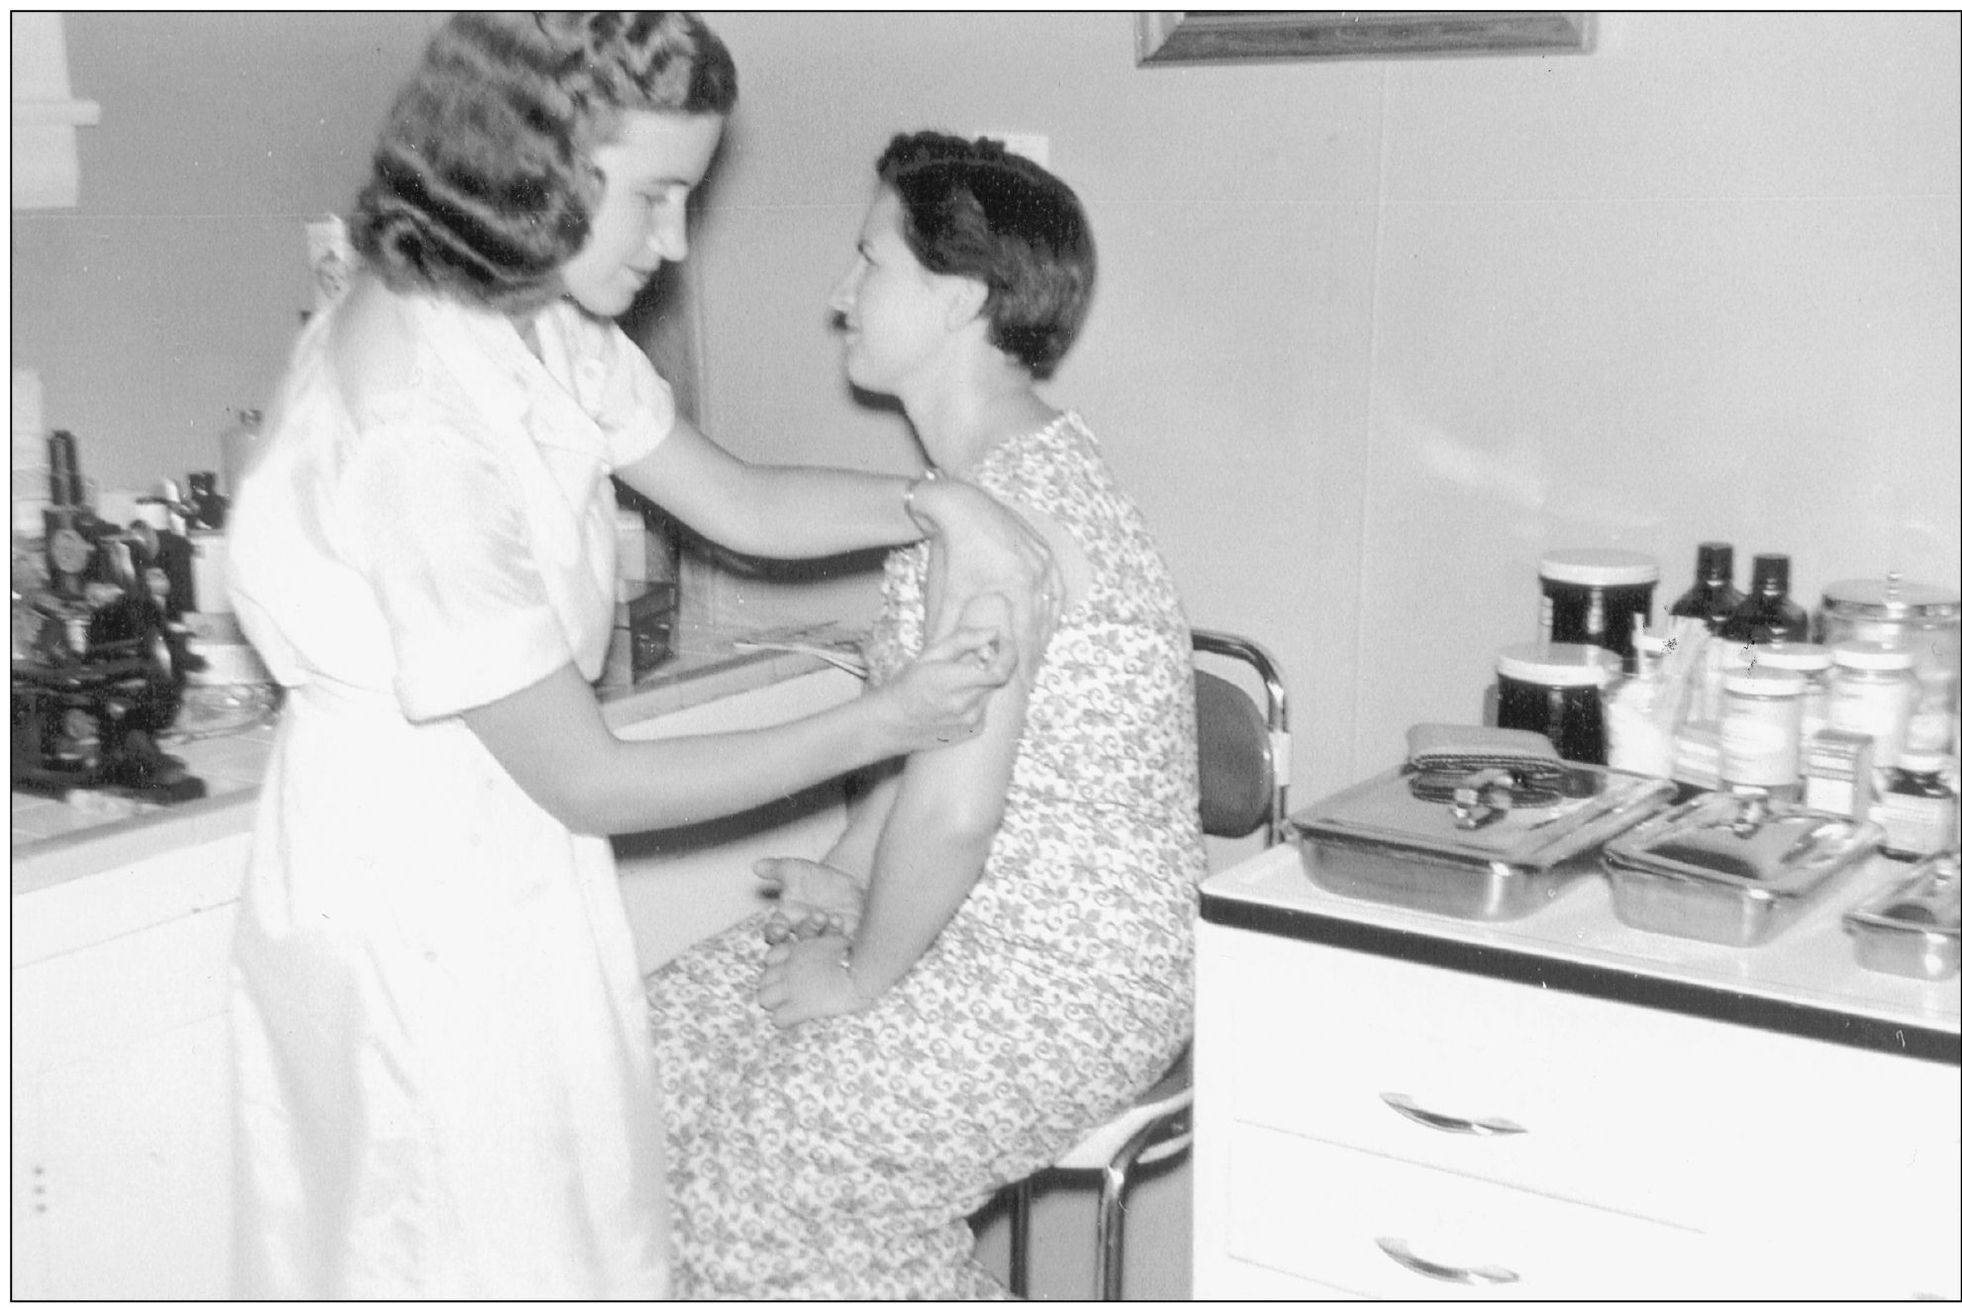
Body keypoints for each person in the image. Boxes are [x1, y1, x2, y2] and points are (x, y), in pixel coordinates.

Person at [223, 15, 1055, 1301]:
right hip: (405, 899)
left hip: (506, 862)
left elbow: (741, 502)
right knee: (454, 1253)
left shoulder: (536, 321)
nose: (673, 245)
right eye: (656, 197)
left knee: (571, 1236)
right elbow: (597, 781)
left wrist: (947, 502)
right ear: (533, 166)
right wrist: (886, 721)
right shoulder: (414, 414)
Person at [646, 131, 1206, 1299]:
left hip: (1062, 978)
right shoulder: (964, 497)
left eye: (869, 263)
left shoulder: (1011, 518)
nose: (839, 295)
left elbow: (954, 818)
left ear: (958, 295)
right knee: (647, 1065)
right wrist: (847, 876)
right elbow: (923, 756)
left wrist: (856, 978)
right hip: (956, 926)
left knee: (772, 1178)